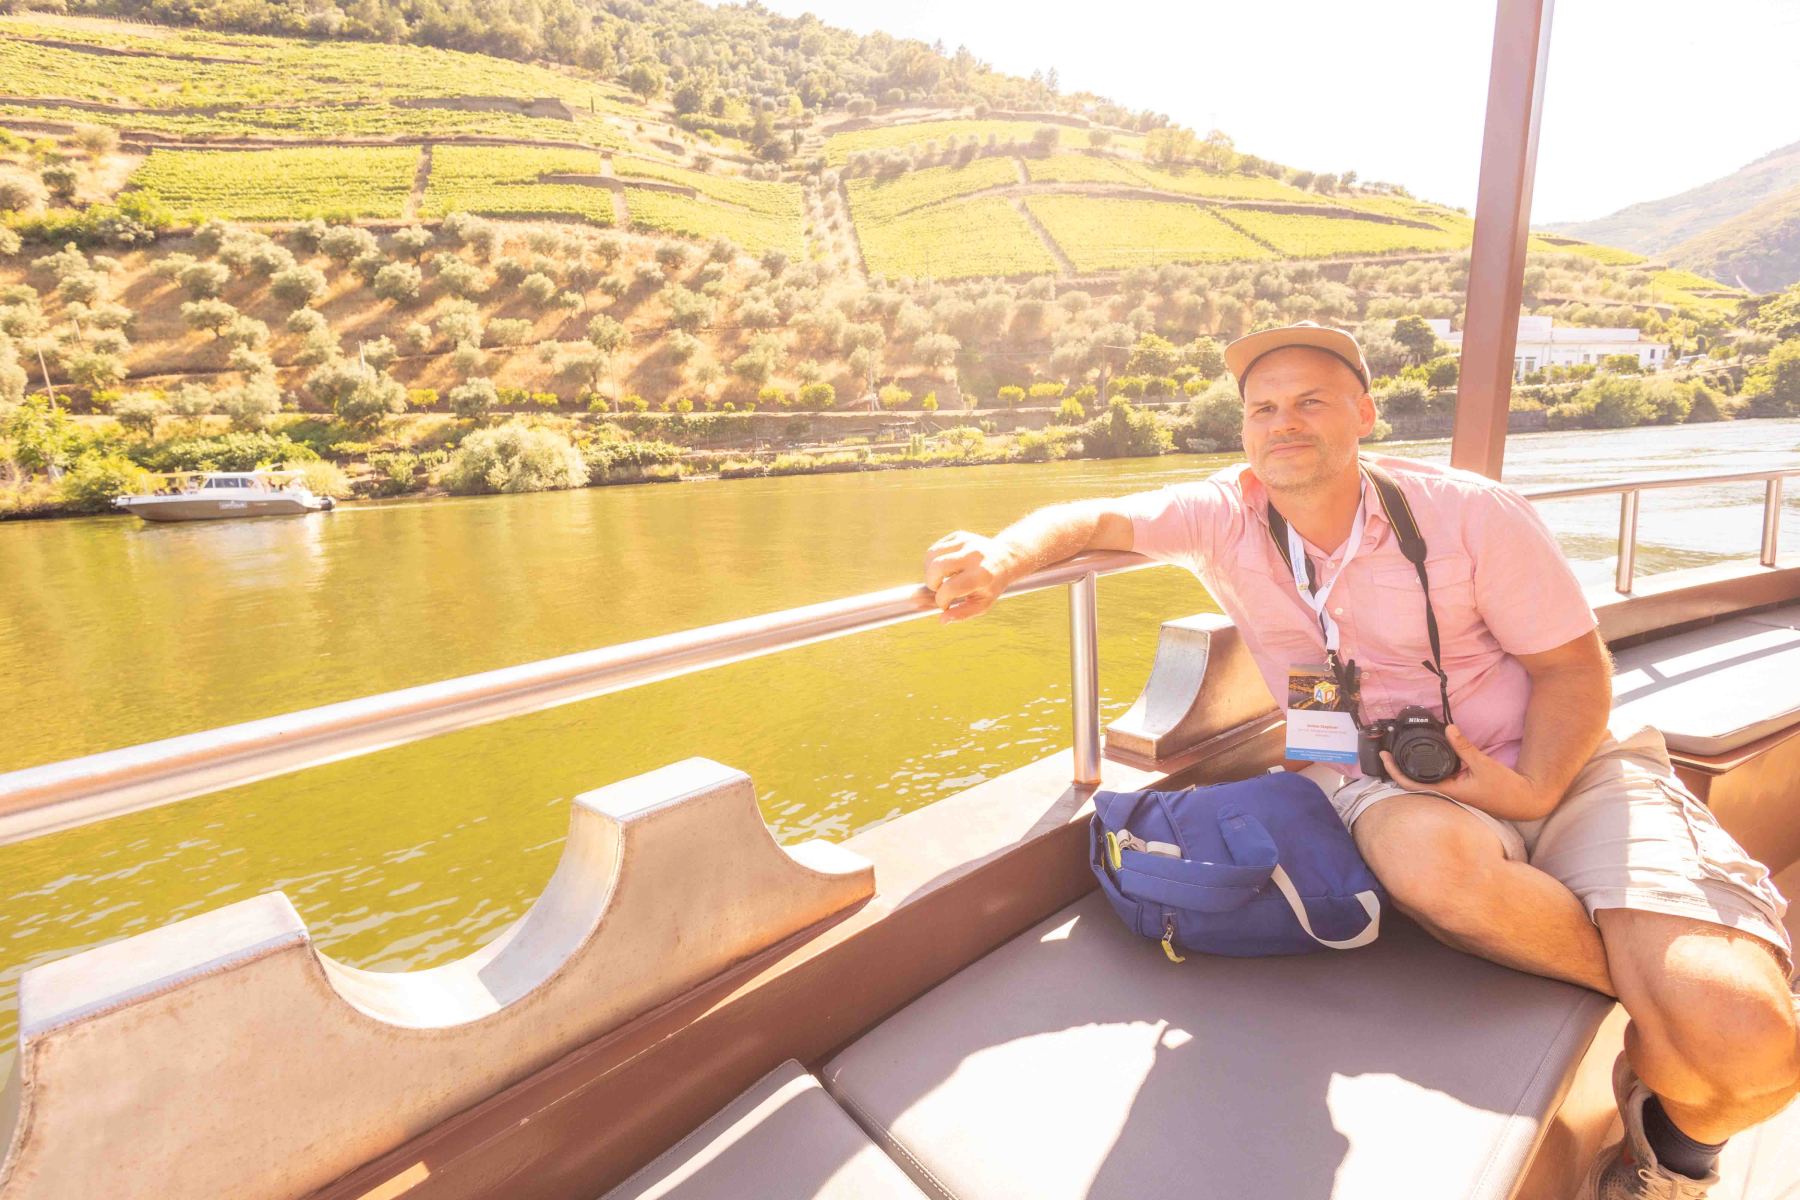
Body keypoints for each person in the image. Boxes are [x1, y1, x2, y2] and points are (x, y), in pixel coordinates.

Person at [921, 322, 1797, 1198]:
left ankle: (1676, 1144)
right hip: (1383, 779)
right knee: (1443, 874)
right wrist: (1000, 555)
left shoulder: (1469, 514)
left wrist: (1533, 788)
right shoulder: (1224, 517)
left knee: (1752, 1043)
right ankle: (1668, 1048)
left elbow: (1572, 669)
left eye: (1311, 401)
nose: (1283, 422)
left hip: (1559, 766)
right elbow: (1094, 518)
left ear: (1366, 415)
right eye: (1263, 408)